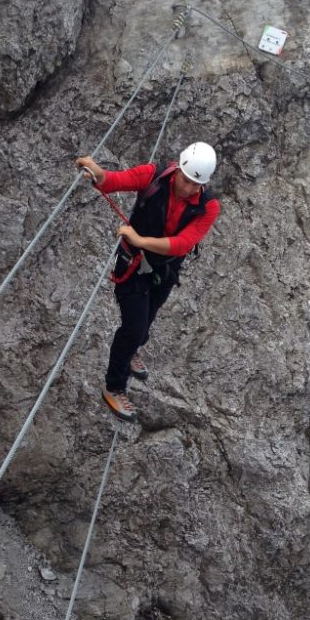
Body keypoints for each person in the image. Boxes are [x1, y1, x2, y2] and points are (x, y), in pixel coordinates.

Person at [76, 143, 221, 422]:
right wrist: (98, 173)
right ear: (178, 168)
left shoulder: (208, 206)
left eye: (196, 184)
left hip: (164, 270)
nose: (189, 188)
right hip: (132, 265)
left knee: (148, 319)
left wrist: (141, 240)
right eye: (186, 179)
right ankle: (114, 387)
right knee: (134, 327)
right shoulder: (153, 176)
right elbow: (117, 180)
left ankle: (133, 352)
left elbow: (183, 244)